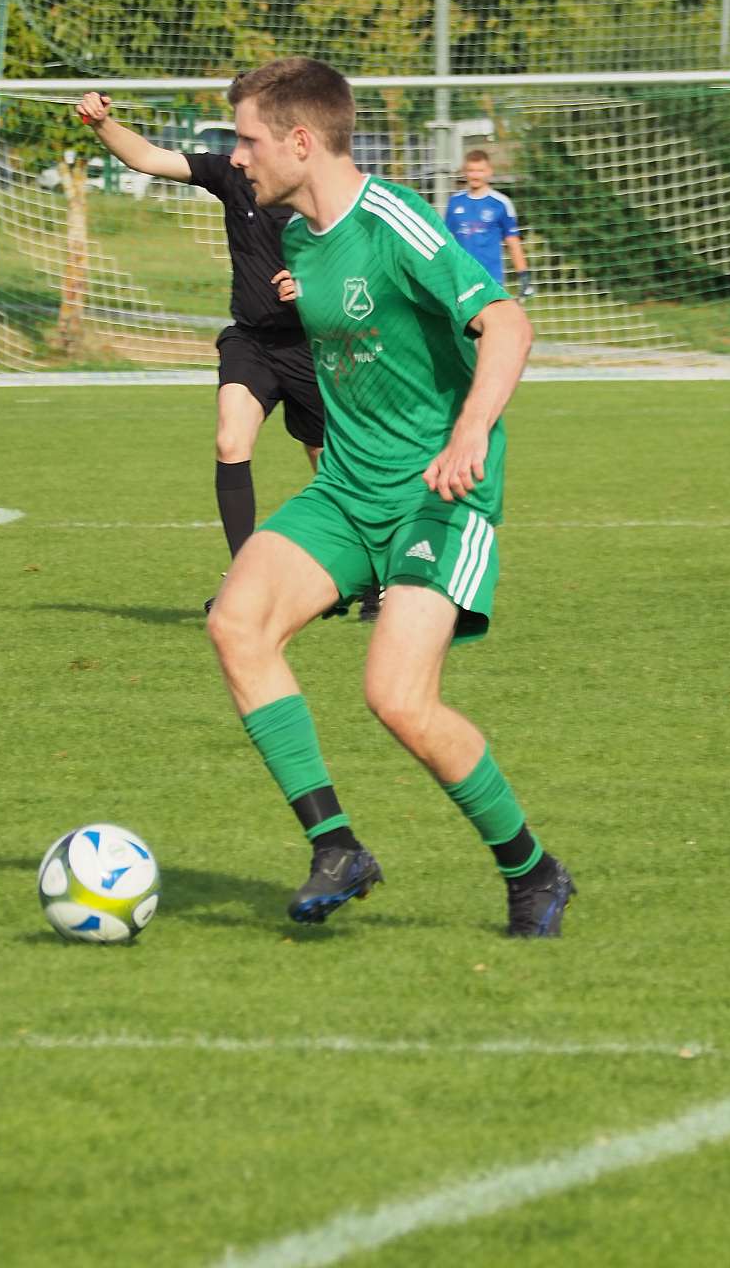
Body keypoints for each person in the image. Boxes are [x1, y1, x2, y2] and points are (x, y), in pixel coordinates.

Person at [206, 57, 574, 938]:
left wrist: (470, 432)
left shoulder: (395, 219)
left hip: (436, 497)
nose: (237, 157)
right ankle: (336, 847)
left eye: (248, 140)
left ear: (301, 140)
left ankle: (532, 871)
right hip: (345, 491)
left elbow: (508, 323)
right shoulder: (299, 241)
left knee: (398, 698)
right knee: (236, 623)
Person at [74, 90, 381, 621]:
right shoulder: (230, 174)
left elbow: (364, 273)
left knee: (330, 467)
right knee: (229, 439)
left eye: (249, 135)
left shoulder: (326, 190)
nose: (240, 150)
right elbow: (148, 157)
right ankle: (245, 583)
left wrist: (314, 288)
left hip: (314, 346)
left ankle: (374, 575)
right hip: (251, 340)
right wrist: (101, 124)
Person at [445, 149, 535, 299]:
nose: (475, 175)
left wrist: (524, 277)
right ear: (465, 172)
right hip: (461, 278)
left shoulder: (500, 203)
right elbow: (447, 240)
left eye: (480, 171)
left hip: (491, 278)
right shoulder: (455, 202)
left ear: (489, 172)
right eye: (471, 171)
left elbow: (513, 242)